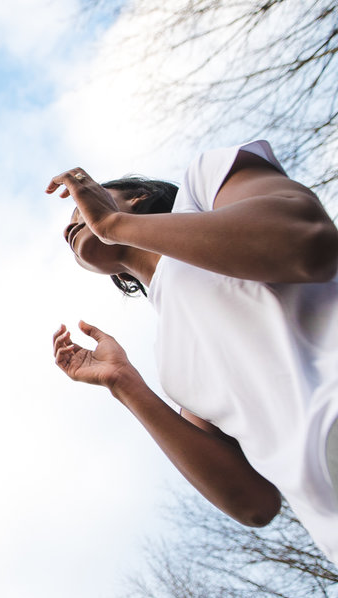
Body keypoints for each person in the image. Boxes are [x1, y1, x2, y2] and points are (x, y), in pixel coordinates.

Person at [48, 140, 338, 563]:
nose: (68, 226)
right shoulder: (170, 354)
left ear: (138, 197)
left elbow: (306, 241)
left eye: (76, 209)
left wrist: (113, 224)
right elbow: (252, 503)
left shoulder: (203, 187)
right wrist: (124, 383)